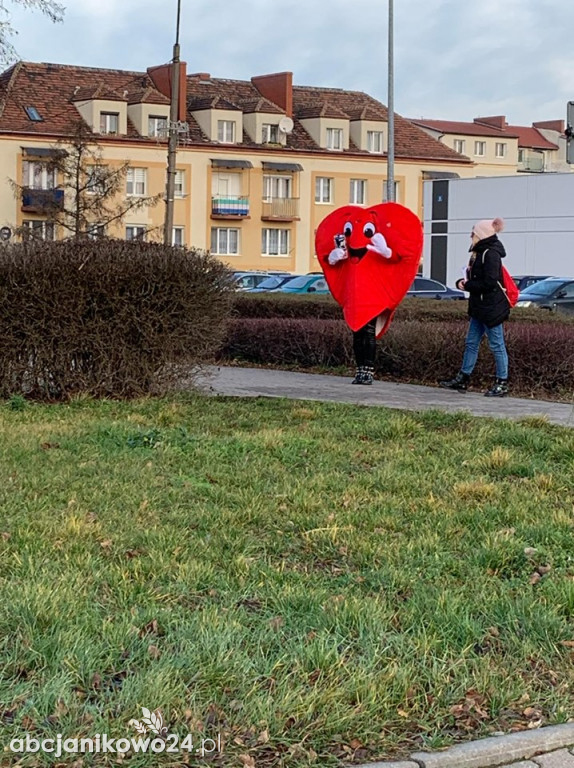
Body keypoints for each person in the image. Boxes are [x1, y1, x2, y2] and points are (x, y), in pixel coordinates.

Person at [315, 203, 423, 385]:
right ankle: (360, 370)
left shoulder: (376, 246)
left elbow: (401, 259)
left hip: (373, 296)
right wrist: (332, 257)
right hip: (354, 296)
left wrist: (387, 252)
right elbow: (332, 263)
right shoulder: (347, 249)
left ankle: (368, 370)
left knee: (367, 332)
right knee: (358, 333)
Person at [439, 217, 510, 397]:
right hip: (480, 307)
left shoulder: (490, 254)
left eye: (474, 233)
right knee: (471, 343)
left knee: (497, 345)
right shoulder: (478, 253)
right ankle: (464, 377)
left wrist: (468, 286)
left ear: (481, 235)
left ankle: (502, 382)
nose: (471, 236)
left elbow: (489, 282)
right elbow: (476, 279)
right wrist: (463, 282)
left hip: (491, 308)